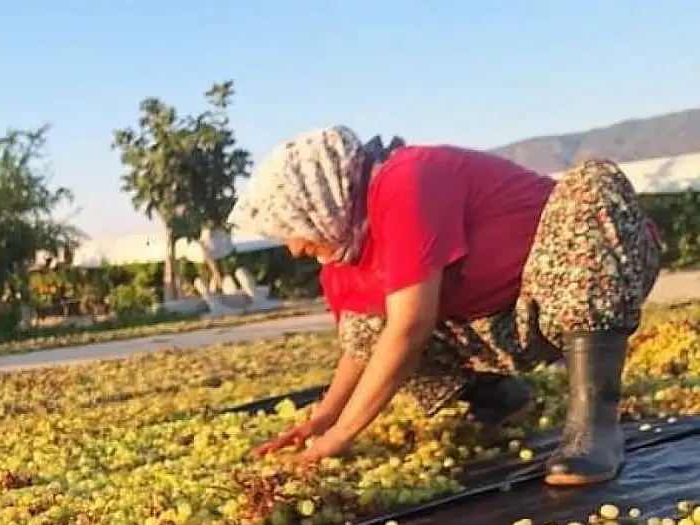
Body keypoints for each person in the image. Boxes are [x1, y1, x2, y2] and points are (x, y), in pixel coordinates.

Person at [235, 126, 661, 487]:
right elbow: (360, 345)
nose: (292, 249)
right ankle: (500, 398)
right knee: (366, 325)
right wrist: (323, 418)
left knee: (591, 183)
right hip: (511, 322)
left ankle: (595, 427)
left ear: (320, 200)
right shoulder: (344, 251)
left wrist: (341, 437)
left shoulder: (406, 181)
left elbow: (409, 328)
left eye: (292, 229)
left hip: (596, 276)